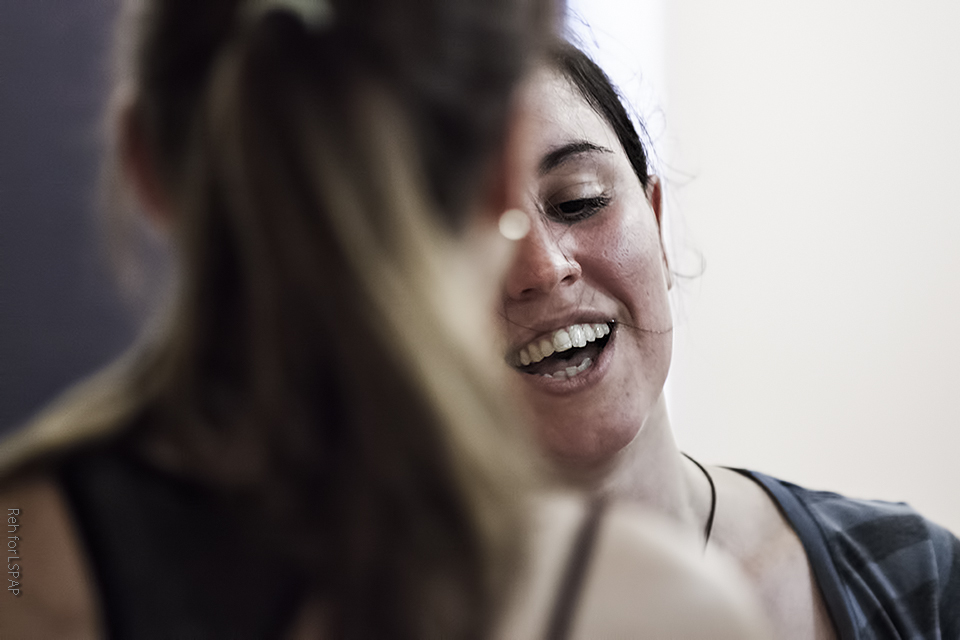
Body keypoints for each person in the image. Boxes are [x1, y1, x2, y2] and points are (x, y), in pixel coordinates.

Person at [0, 1, 768, 638]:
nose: (546, 268)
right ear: (501, 177)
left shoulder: (20, 554)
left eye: (578, 201)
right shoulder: (650, 608)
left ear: (143, 165)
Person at [498, 39, 960, 640]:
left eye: (578, 200)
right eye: (475, 232)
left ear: (658, 223)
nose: (543, 267)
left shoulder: (915, 575)